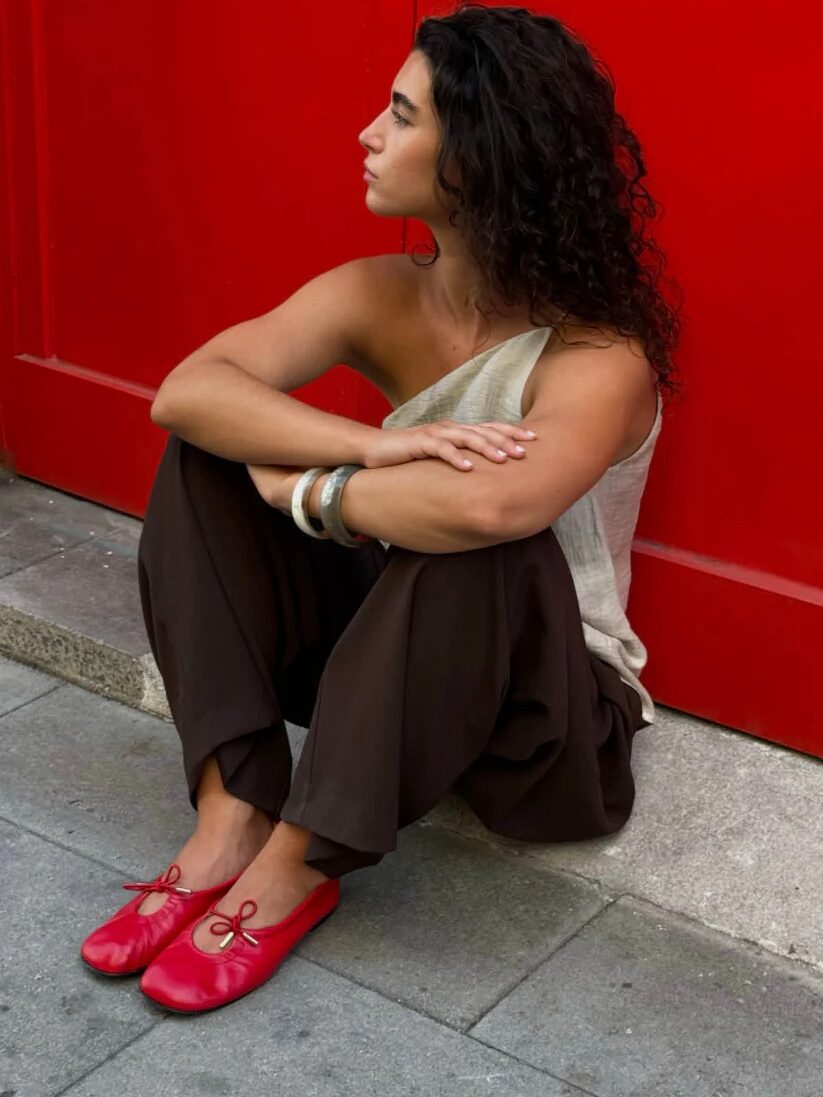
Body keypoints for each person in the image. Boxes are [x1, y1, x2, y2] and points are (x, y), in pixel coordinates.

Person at [79, 3, 683, 1014]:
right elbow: (187, 389)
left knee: (481, 536)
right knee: (208, 453)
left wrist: (305, 487)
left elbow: (496, 503)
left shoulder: (601, 355)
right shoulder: (381, 294)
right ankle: (230, 813)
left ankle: (294, 867)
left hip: (548, 721)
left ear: (478, 157)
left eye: (401, 116)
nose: (368, 134)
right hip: (405, 662)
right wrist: (372, 442)